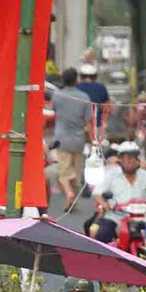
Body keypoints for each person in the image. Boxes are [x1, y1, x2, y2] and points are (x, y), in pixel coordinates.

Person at [47, 77, 93, 209]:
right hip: (79, 139)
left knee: (64, 171)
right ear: (75, 81)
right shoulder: (84, 97)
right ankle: (73, 203)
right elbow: (88, 121)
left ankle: (69, 193)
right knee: (76, 172)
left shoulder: (57, 95)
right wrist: (91, 138)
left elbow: (53, 111)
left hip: (62, 139)